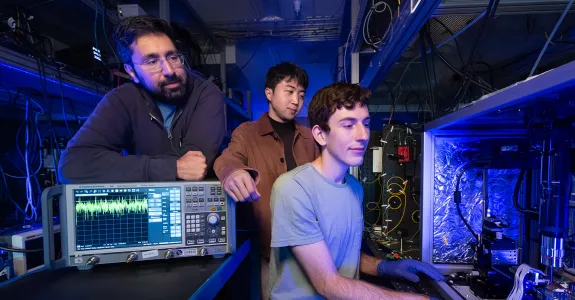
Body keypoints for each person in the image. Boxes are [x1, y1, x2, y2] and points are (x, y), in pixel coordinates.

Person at [268, 82, 445, 299]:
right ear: (320, 135)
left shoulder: (354, 187)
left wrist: (384, 266)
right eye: (348, 125)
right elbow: (327, 283)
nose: (362, 135)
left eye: (366, 123)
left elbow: (341, 256)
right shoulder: (293, 188)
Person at [58, 16, 224, 183]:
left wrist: (122, 167)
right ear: (131, 72)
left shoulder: (206, 94)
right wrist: (173, 168)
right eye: (152, 62)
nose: (169, 70)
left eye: (172, 57)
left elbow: (194, 168)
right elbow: (72, 165)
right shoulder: (121, 100)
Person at [213, 62, 320, 297]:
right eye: (289, 91)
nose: (296, 101)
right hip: (268, 251)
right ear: (269, 93)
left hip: (310, 249)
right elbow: (226, 160)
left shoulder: (310, 137)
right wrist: (232, 173)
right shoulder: (247, 133)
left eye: (301, 95)